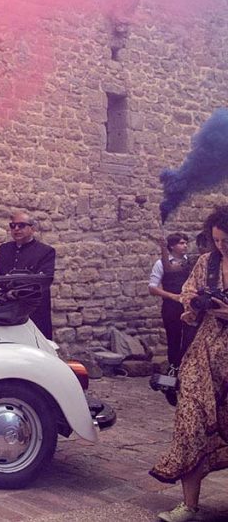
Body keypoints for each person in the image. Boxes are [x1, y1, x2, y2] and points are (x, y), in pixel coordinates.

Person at [150, 206, 228, 522]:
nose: (222, 247)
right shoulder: (206, 263)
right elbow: (188, 298)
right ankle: (188, 505)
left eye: (227, 241)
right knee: (190, 422)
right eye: (217, 241)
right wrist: (196, 302)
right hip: (204, 355)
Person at [0, 211, 57, 339]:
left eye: (21, 225)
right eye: (13, 226)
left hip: (33, 310)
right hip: (7, 307)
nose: (16, 229)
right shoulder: (4, 249)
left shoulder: (45, 251)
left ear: (32, 228)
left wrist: (14, 285)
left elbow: (43, 280)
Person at [148, 233, 195, 369]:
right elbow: (152, 288)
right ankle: (174, 370)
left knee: (190, 339)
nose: (185, 245)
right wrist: (172, 296)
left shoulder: (190, 262)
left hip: (189, 305)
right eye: (181, 243)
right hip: (171, 306)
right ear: (172, 246)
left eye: (186, 243)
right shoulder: (160, 264)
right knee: (173, 339)